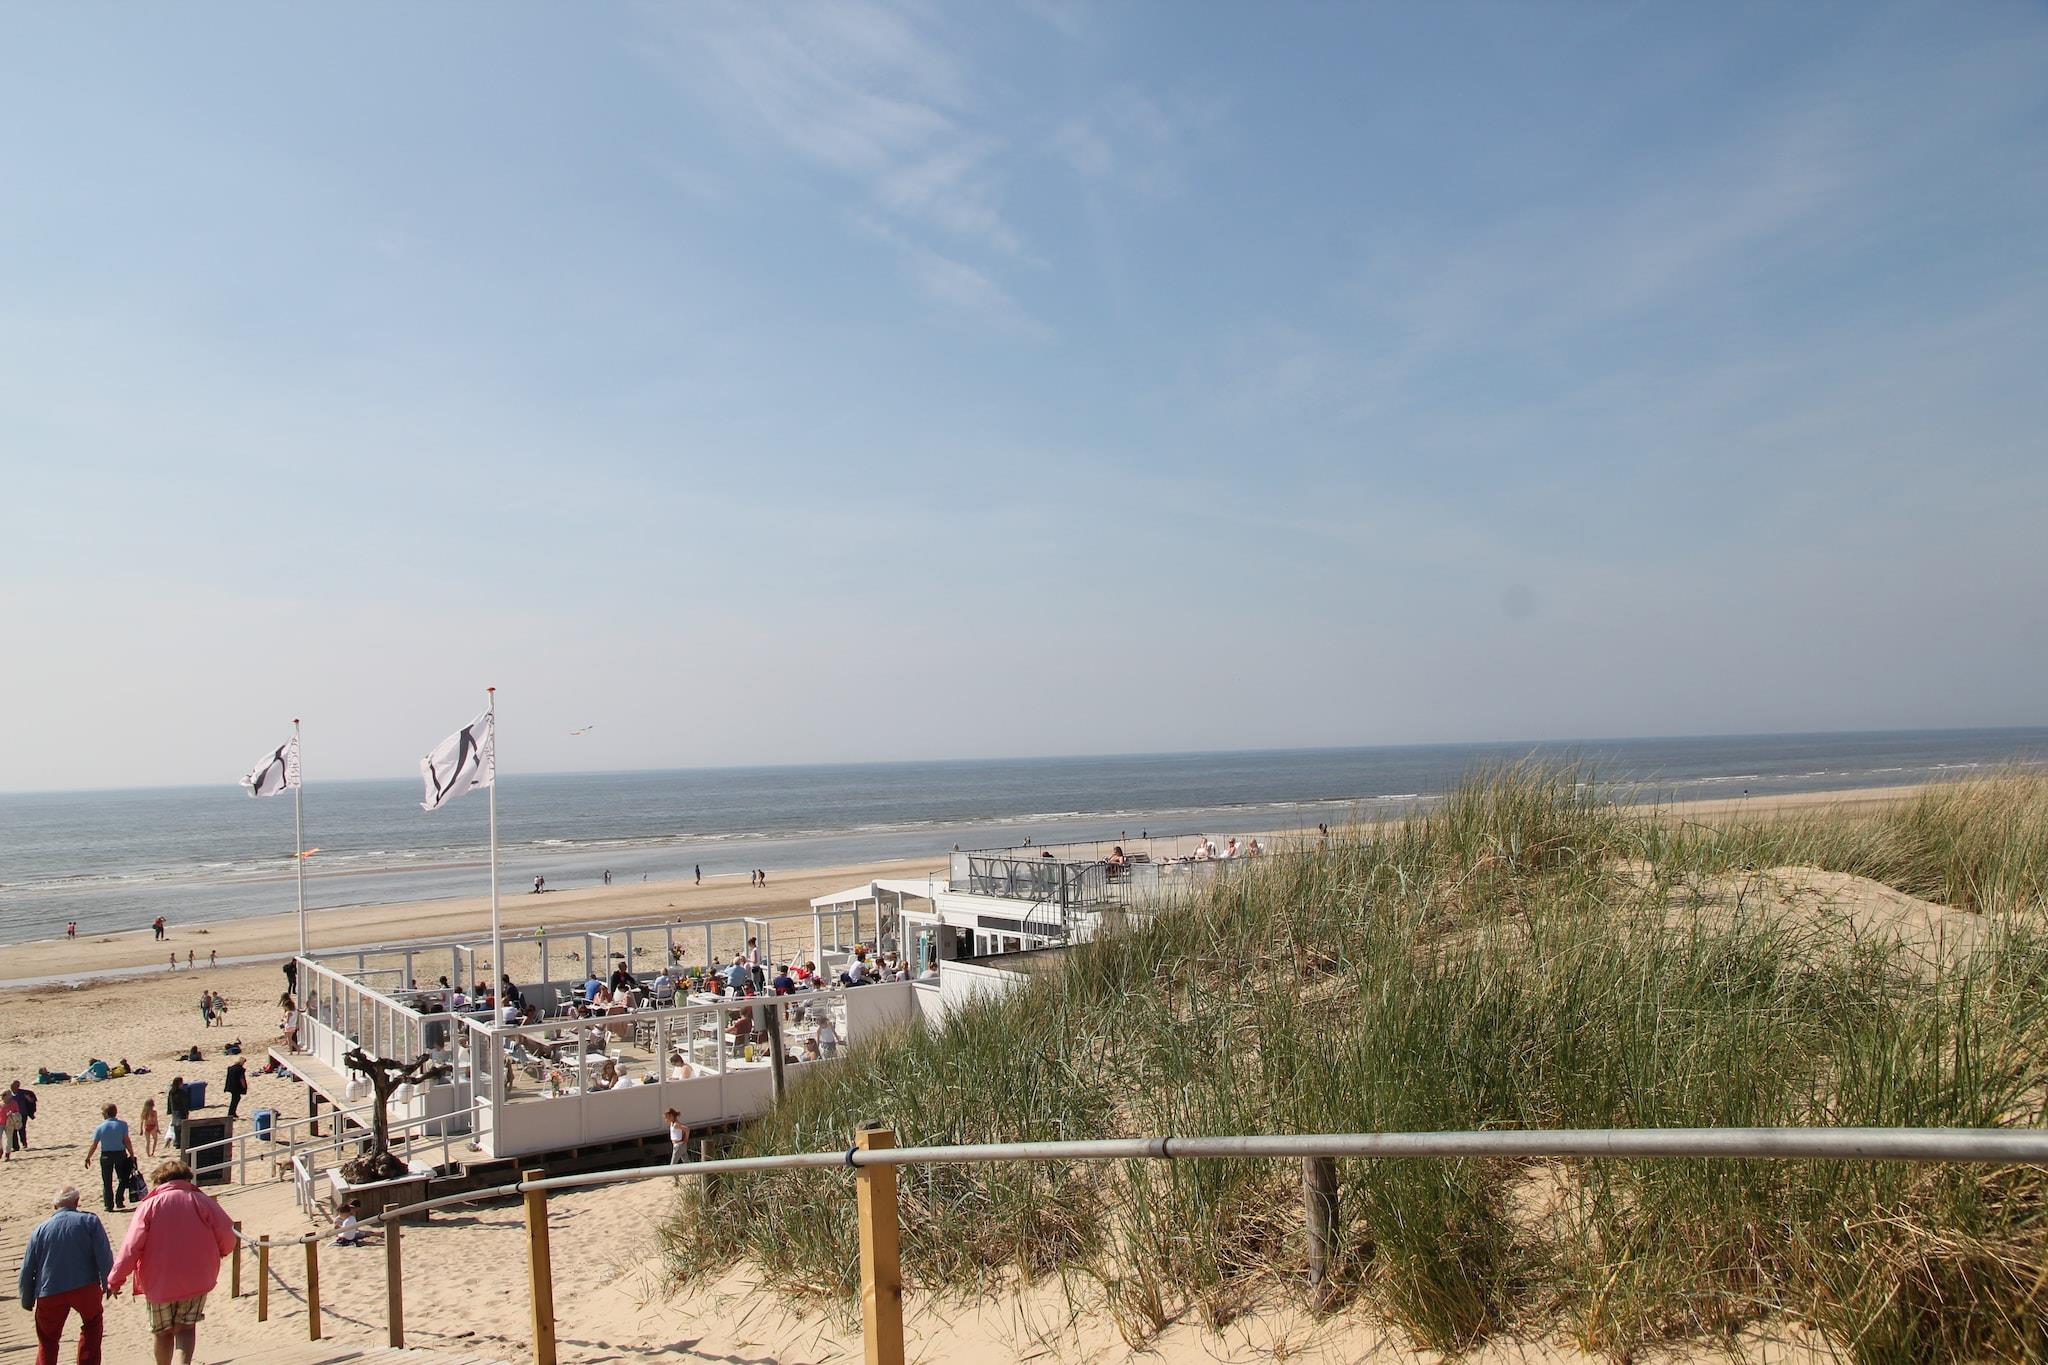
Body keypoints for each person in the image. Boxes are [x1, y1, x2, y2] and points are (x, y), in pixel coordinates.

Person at [106, 1159, 238, 1365]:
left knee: (162, 1332)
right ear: (187, 1178)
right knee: (186, 1328)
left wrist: (115, 1279)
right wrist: (222, 1251)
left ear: (159, 1181)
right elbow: (228, 1234)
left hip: (159, 1281)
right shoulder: (202, 1201)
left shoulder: (149, 1206)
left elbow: (131, 1247)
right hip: (197, 1277)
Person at [18, 1186, 113, 1365]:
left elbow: (27, 1268)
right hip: (85, 1287)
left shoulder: (39, 1230)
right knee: (92, 1326)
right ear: (77, 1202)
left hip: (49, 1291)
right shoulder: (89, 1221)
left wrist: (27, 1299)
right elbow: (103, 1255)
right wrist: (109, 1283)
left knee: (47, 1339)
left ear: (55, 1206)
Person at [81, 1105, 132, 1213]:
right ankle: (119, 1200)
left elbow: (94, 1145)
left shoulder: (100, 1127)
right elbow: (126, 1140)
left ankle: (109, 1205)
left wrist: (88, 1157)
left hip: (106, 1156)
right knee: (123, 1179)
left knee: (107, 1182)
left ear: (106, 1114)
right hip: (120, 1154)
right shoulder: (123, 1125)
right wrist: (131, 1153)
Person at [6, 1078, 36, 1152]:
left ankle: (24, 1144)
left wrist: (29, 1099)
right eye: (11, 1086)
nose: (12, 1087)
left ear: (18, 1086)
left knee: (21, 1129)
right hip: (12, 1115)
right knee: (13, 1131)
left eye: (14, 1086)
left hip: (22, 1114)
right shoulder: (8, 1094)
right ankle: (15, 1147)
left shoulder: (23, 1093)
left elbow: (32, 1100)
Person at [164, 1080, 190, 1154]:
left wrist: (169, 1111)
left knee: (176, 1127)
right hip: (181, 1112)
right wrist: (186, 1112)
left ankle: (177, 1142)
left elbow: (169, 1102)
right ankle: (180, 1142)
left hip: (174, 1112)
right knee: (181, 1127)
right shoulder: (182, 1093)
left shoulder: (171, 1092)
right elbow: (185, 1103)